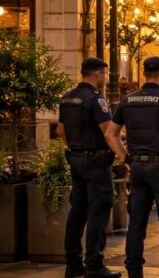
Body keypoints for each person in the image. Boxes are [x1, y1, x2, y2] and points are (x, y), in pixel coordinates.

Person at [104, 57, 159, 278]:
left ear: (144, 73)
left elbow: (110, 134)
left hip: (138, 167)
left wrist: (125, 158)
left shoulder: (128, 100)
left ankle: (134, 270)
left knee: (137, 222)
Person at [58, 58, 126, 278]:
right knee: (99, 210)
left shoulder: (67, 98)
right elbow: (108, 132)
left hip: (76, 159)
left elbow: (61, 131)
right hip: (96, 162)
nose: (106, 78)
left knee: (77, 211)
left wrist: (74, 149)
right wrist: (125, 157)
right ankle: (94, 264)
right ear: (97, 74)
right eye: (105, 74)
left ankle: (73, 263)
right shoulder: (96, 100)